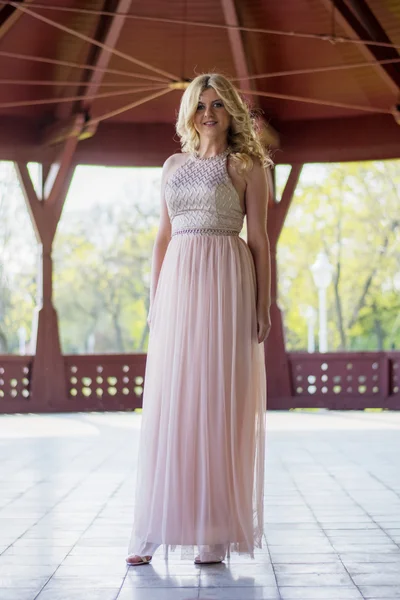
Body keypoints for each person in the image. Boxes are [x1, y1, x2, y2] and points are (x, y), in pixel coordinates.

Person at [126, 72, 271, 566]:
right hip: (179, 289)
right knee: (173, 400)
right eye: (200, 104)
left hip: (228, 285)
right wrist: (155, 300)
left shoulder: (248, 166)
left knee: (219, 401)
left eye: (218, 105)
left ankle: (215, 530)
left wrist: (262, 305)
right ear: (190, 111)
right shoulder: (172, 166)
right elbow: (162, 239)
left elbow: (260, 242)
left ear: (232, 112)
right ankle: (151, 528)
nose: (208, 113)